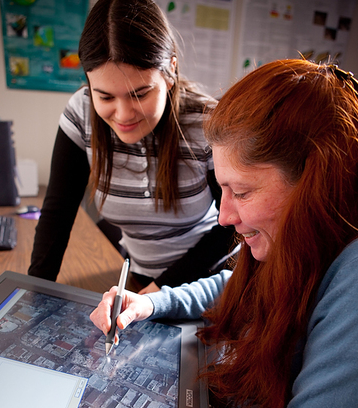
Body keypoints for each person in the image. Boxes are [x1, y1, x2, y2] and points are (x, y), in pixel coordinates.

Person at [90, 58, 358, 408]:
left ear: (317, 186)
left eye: (241, 191)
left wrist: (227, 358)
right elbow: (234, 288)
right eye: (221, 190)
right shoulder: (304, 239)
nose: (223, 216)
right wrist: (152, 303)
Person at [28, 0, 234, 294]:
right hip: (138, 277)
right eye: (106, 97)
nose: (124, 115)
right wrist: (34, 293)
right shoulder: (81, 113)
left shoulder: (207, 123)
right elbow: (57, 213)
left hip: (206, 279)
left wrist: (159, 291)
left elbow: (231, 226)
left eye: (139, 94)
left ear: (170, 71)